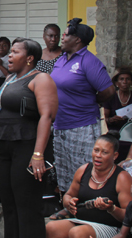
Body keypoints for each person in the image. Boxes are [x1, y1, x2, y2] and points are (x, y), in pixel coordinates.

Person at [0, 37, 57, 238]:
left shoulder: (40, 79)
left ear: (30, 58)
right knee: (10, 203)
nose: (8, 56)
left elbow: (46, 117)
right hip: (5, 147)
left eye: (14, 52)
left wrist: (38, 155)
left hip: (28, 147)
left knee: (27, 206)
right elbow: (0, 116)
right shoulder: (10, 79)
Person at [46, 135, 132, 238]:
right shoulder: (84, 170)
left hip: (110, 229)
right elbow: (69, 194)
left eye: (104, 152)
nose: (98, 155)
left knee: (77, 233)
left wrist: (111, 208)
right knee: (51, 228)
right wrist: (68, 202)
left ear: (115, 156)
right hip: (82, 221)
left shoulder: (122, 177)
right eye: (96, 150)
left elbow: (128, 216)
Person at [50, 18, 116, 195]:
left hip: (82, 125)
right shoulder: (61, 59)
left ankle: (85, 208)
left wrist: (90, 99)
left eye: (65, 35)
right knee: (64, 170)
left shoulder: (88, 61)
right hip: (60, 124)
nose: (62, 38)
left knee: (83, 170)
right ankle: (67, 202)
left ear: (77, 39)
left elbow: (108, 91)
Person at [103, 66, 132, 134]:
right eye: (121, 79)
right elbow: (104, 119)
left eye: (128, 79)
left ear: (131, 82)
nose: (125, 82)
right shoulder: (110, 97)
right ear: (117, 83)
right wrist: (111, 119)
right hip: (113, 132)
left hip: (131, 132)